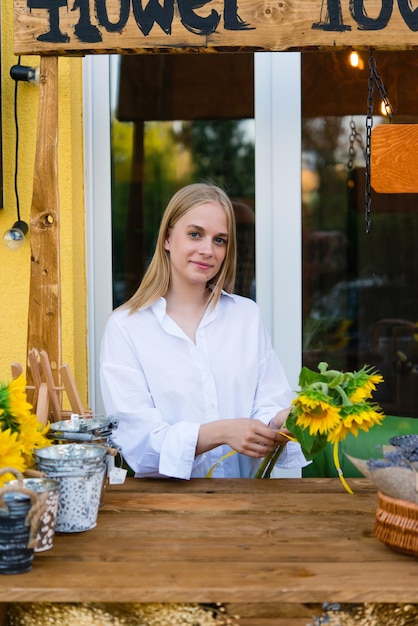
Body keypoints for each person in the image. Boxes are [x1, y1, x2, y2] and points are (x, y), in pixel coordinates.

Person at [100, 183, 308, 479]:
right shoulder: (126, 327)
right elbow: (138, 441)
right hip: (167, 509)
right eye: (195, 234)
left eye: (220, 240)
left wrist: (281, 420)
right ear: (168, 238)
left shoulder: (246, 315)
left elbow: (268, 404)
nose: (208, 250)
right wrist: (222, 432)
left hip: (246, 502)